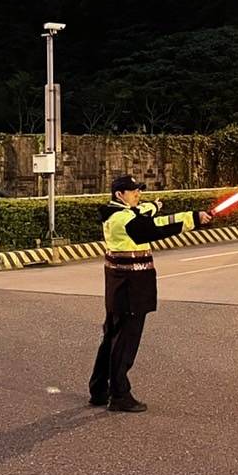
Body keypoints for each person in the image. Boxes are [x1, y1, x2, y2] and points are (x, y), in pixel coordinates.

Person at [88, 175, 212, 412]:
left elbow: (145, 211)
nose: (138, 195)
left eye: (139, 191)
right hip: (131, 288)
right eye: (133, 192)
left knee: (111, 339)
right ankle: (120, 395)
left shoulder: (119, 213)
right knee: (125, 342)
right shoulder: (123, 220)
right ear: (119, 195)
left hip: (119, 288)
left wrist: (154, 205)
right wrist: (193, 219)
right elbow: (153, 228)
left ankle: (99, 390)